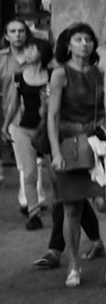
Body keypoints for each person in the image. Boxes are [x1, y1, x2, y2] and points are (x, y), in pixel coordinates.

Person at [46, 22, 106, 288]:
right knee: (72, 208)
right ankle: (73, 266)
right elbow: (53, 116)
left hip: (94, 143)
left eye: (88, 39)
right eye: (78, 39)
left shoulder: (97, 73)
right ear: (68, 44)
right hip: (68, 144)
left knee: (102, 204)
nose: (84, 43)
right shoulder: (60, 74)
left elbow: (101, 109)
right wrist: (55, 152)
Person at [5, 34, 52, 231]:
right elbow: (15, 104)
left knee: (56, 172)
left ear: (42, 52)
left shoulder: (53, 75)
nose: (28, 52)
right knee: (29, 173)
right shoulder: (19, 76)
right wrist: (5, 125)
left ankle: (63, 207)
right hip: (24, 129)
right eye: (27, 49)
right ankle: (34, 213)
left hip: (49, 128)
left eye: (33, 48)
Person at [2, 17, 32, 222]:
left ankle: (31, 197)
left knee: (37, 160)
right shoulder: (2, 59)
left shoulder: (35, 55)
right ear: (6, 36)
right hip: (12, 113)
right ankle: (28, 199)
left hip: (36, 111)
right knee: (23, 160)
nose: (17, 35)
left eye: (21, 31)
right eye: (13, 31)